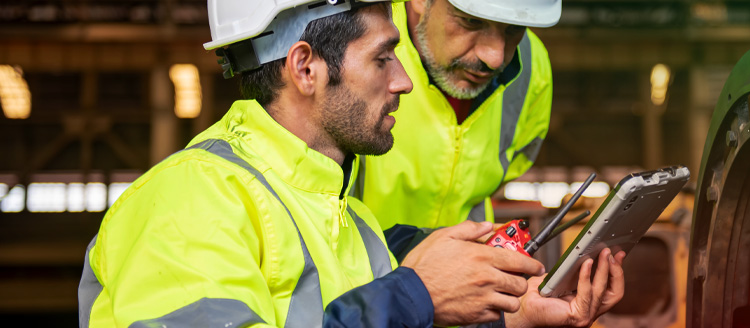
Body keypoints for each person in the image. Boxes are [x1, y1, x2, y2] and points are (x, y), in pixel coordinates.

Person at [78, 0, 625, 327]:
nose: (405, 81)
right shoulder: (189, 202)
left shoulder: (352, 225)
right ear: (306, 68)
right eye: (383, 58)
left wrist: (516, 318)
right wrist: (416, 295)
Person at [354, 0, 555, 229]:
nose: (495, 58)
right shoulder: (356, 44)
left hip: (465, 260)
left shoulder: (531, 66)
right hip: (362, 261)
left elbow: (516, 162)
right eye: (471, 21)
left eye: (514, 29)